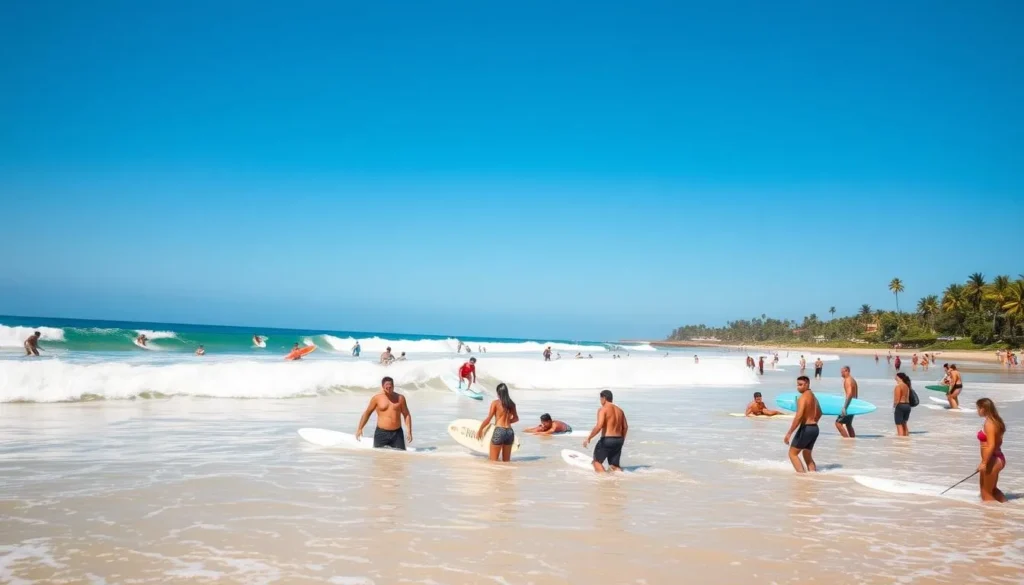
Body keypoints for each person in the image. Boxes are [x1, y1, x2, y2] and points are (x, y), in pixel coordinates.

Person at [355, 376, 412, 450]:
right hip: (381, 433)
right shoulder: (377, 398)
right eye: (386, 388)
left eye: (390, 387)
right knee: (380, 458)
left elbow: (406, 414)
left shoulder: (400, 398)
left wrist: (409, 431)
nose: (389, 390)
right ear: (382, 386)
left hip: (397, 433)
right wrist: (360, 428)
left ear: (393, 386)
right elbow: (367, 413)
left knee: (400, 458)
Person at [583, 389, 628, 473]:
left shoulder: (603, 409)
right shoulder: (620, 410)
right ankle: (621, 478)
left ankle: (605, 481)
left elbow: (599, 426)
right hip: (619, 440)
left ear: (604, 398)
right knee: (614, 466)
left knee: (596, 462)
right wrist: (622, 440)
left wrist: (589, 437)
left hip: (607, 440)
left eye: (600, 399)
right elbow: (625, 427)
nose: (600, 401)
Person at [783, 376, 822, 473]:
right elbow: (820, 412)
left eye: (800, 385)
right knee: (807, 454)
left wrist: (789, 433)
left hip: (806, 429)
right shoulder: (813, 396)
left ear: (807, 384)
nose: (798, 387)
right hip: (814, 429)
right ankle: (813, 477)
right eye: (797, 385)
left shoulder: (802, 398)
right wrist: (813, 421)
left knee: (792, 454)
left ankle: (802, 480)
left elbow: (799, 416)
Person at [476, 382, 519, 461]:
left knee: (493, 462)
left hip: (499, 430)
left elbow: (489, 418)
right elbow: (516, 418)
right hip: (510, 432)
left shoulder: (495, 403)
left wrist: (480, 429)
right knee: (506, 461)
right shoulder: (512, 404)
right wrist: (508, 422)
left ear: (498, 393)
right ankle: (507, 473)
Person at [975, 398, 1007, 503]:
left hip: (992, 460)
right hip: (995, 458)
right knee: (991, 490)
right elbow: (999, 442)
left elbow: (992, 445)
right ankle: (1007, 507)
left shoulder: (990, 423)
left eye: (978, 408)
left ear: (983, 408)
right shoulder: (996, 421)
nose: (977, 411)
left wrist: (984, 463)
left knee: (986, 493)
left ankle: (991, 518)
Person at [836, 366, 858, 438]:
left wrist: (845, 407)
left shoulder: (848, 380)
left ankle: (846, 440)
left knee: (838, 423)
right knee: (848, 424)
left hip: (849, 405)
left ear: (847, 371)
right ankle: (852, 440)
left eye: (842, 372)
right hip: (853, 404)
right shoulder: (852, 380)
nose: (841, 374)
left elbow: (849, 394)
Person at [893, 372, 913, 437]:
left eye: (896, 377)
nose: (895, 378)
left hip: (900, 405)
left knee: (899, 424)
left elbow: (897, 399)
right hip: (907, 406)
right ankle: (906, 439)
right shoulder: (907, 386)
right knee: (904, 424)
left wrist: (894, 406)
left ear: (899, 378)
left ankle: (900, 442)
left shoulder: (898, 386)